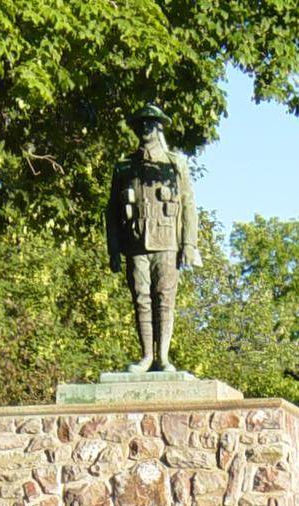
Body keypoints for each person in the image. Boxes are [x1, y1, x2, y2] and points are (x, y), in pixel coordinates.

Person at [106, 105, 202, 373]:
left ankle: (163, 357)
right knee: (141, 298)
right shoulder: (124, 166)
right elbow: (112, 210)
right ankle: (147, 355)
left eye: (151, 124)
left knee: (164, 298)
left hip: (167, 241)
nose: (145, 129)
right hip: (136, 243)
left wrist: (189, 244)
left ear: (160, 127)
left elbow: (189, 205)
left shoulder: (174, 163)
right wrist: (113, 248)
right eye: (141, 124)